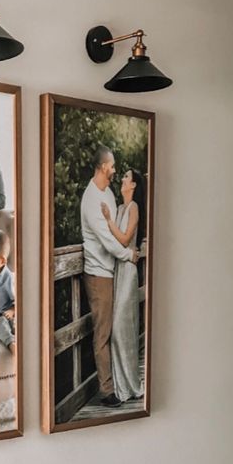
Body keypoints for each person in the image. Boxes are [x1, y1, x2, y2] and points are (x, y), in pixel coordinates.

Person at [81, 145, 138, 408]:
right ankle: (106, 390)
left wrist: (123, 253)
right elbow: (106, 240)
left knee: (116, 328)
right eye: (112, 165)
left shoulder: (109, 193)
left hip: (113, 271)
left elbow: (116, 231)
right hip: (99, 274)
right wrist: (128, 255)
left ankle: (121, 380)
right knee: (103, 332)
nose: (115, 170)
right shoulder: (91, 199)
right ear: (103, 166)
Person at [101, 169, 146, 402]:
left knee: (121, 327)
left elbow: (125, 238)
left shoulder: (133, 208)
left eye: (127, 178)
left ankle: (133, 384)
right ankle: (123, 388)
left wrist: (108, 221)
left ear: (134, 185)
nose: (123, 181)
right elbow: (112, 240)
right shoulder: (119, 208)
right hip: (118, 269)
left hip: (128, 271)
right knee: (118, 328)